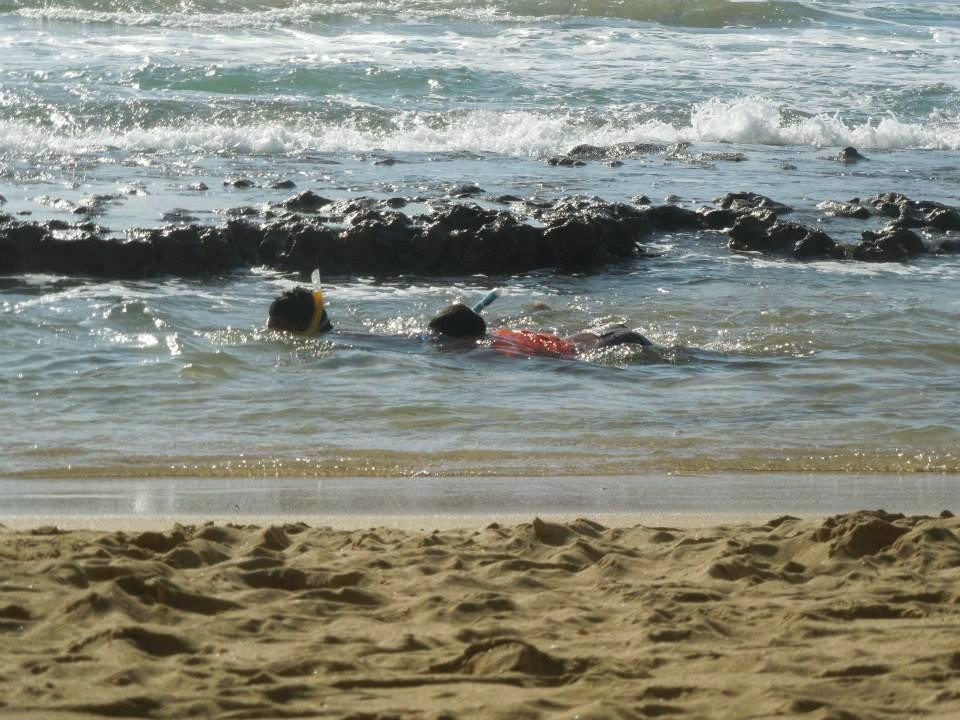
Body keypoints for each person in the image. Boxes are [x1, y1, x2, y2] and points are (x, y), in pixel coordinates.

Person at [267, 287, 651, 358]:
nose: (270, 331)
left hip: (591, 346)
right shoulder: (346, 336)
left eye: (275, 325)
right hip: (587, 338)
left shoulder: (345, 345)